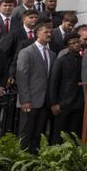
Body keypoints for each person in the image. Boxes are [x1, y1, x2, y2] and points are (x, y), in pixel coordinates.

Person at [16, 23, 54, 152]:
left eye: (50, 32)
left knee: (39, 135)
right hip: (30, 101)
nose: (49, 34)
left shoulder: (52, 54)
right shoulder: (26, 52)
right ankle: (22, 160)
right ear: (37, 33)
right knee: (25, 134)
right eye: (46, 32)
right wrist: (25, 100)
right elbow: (22, 77)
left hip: (45, 102)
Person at [49, 33, 85, 144]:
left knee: (74, 134)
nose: (76, 44)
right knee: (59, 134)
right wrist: (53, 103)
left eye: (78, 42)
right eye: (73, 43)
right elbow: (53, 82)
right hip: (62, 103)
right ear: (67, 46)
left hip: (79, 103)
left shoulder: (83, 60)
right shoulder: (61, 61)